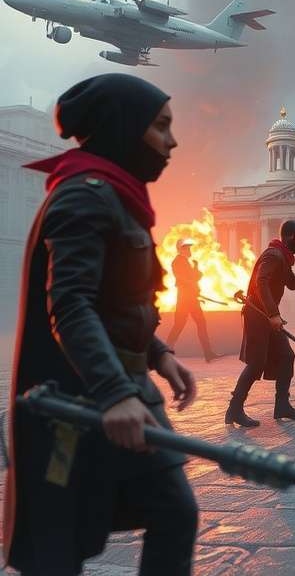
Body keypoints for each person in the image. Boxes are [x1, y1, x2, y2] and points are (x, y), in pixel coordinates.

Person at [4, 74, 199, 575]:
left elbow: (114, 303)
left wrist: (158, 353)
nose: (172, 141)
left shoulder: (118, 197)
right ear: (125, 128)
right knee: (57, 549)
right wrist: (115, 392)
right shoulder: (84, 196)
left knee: (174, 510)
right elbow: (70, 305)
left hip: (122, 386)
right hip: (76, 401)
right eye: (161, 127)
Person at [225, 220, 295, 426]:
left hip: (268, 316)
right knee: (256, 363)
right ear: (290, 237)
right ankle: (234, 409)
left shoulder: (283, 258)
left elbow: (293, 284)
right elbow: (261, 282)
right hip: (258, 315)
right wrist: (273, 314)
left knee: (286, 356)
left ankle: (282, 406)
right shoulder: (273, 255)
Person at [165, 238, 221, 362]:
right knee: (179, 325)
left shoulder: (186, 262)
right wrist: (192, 284)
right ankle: (164, 352)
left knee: (199, 324)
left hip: (190, 298)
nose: (189, 250)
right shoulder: (177, 261)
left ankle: (208, 353)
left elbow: (197, 276)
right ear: (181, 249)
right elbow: (183, 278)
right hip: (185, 298)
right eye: (187, 248)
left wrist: (195, 268)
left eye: (189, 248)